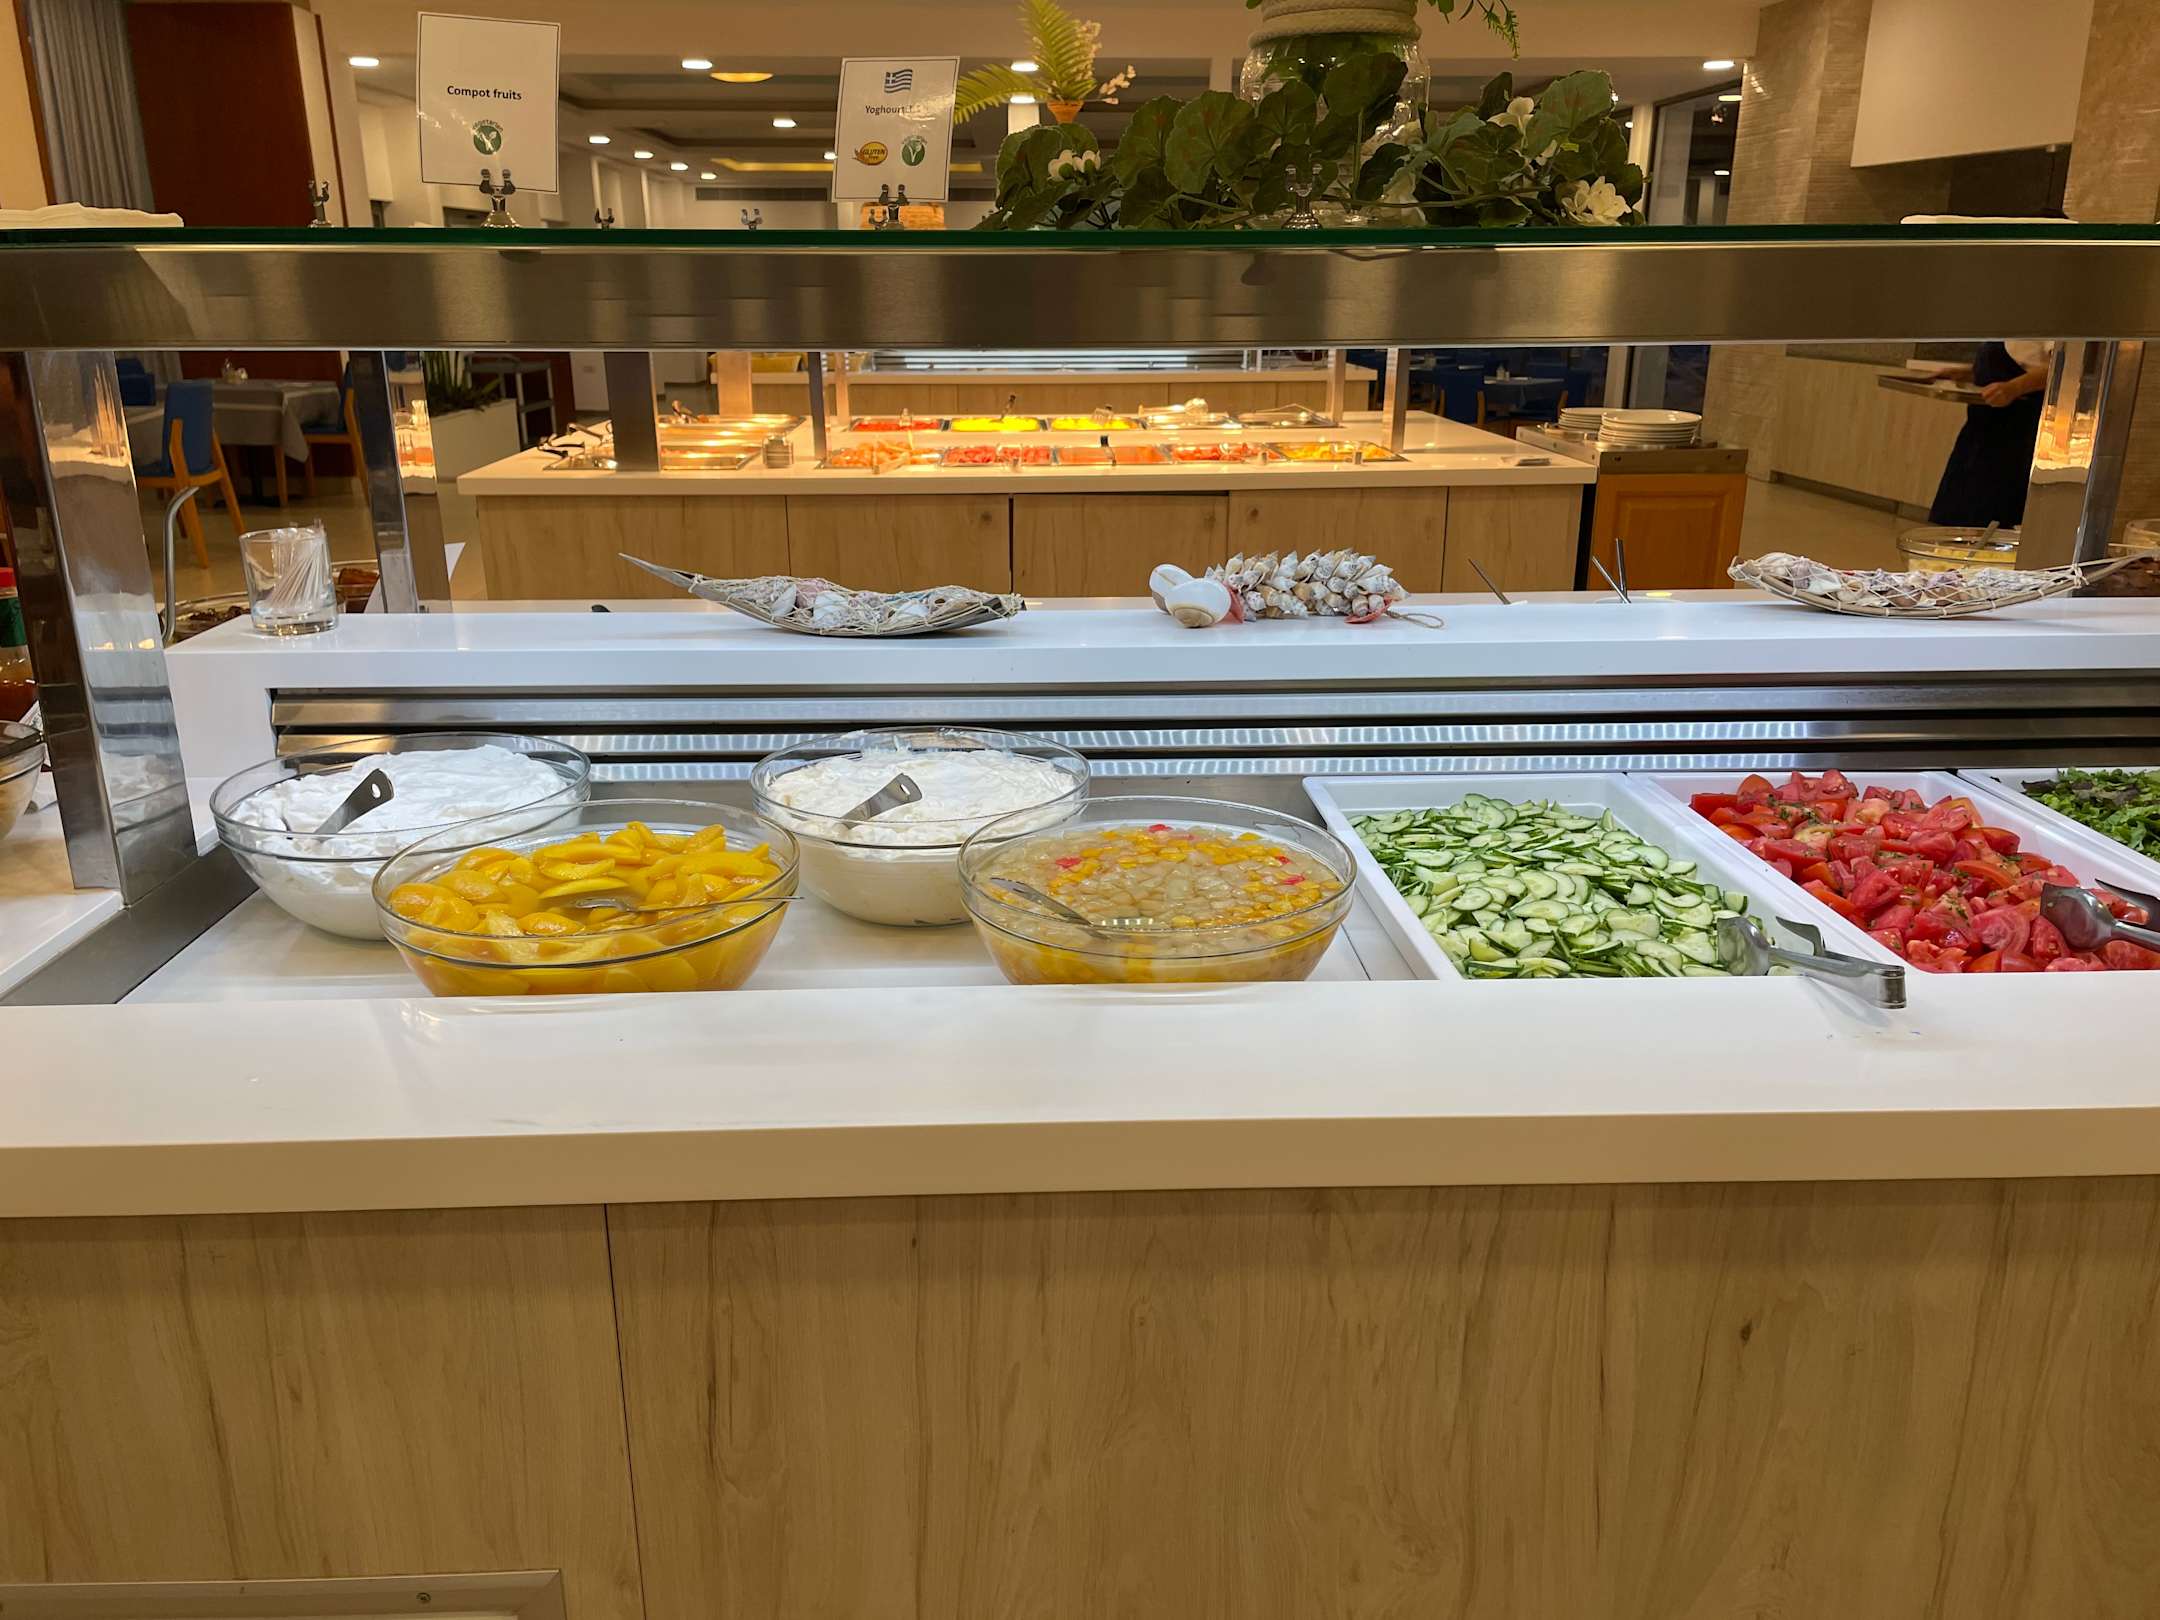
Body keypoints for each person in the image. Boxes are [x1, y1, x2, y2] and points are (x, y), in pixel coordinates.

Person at [1927, 340, 2053, 528]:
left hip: (2014, 438)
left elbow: (2060, 369)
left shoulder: (2052, 325)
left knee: (1990, 521)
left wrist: (2014, 387)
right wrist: (1968, 373)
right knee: (1955, 517)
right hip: (1978, 434)